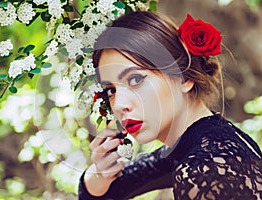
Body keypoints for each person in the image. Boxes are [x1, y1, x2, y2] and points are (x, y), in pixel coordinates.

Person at [78, 11, 262, 199]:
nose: (119, 105)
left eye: (135, 79)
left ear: (184, 77)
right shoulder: (201, 143)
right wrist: (101, 171)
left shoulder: (205, 169)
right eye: (111, 90)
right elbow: (107, 192)